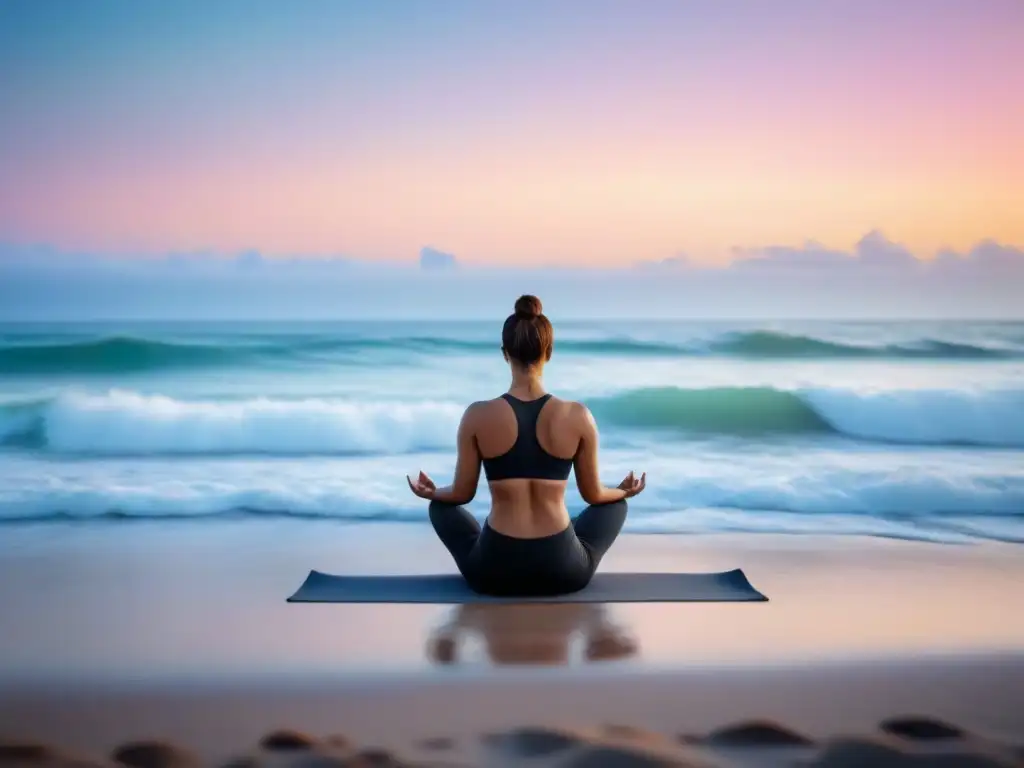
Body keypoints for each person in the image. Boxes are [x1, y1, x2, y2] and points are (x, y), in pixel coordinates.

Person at [406, 294, 647, 597]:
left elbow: (461, 494)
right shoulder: (578, 416)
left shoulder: (477, 415)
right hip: (562, 570)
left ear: (505, 353)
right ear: (549, 351)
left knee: (440, 509)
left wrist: (433, 493)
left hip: (494, 571)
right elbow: (594, 494)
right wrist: (624, 490)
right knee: (615, 506)